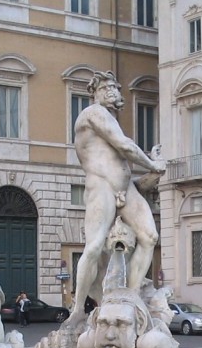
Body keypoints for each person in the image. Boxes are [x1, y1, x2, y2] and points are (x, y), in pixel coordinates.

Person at [69, 70, 166, 320]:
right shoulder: (93, 114)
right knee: (93, 247)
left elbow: (123, 169)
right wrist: (152, 165)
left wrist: (153, 174)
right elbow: (124, 146)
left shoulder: (110, 118)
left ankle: (130, 299)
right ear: (95, 93)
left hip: (126, 188)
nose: (111, 92)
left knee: (149, 236)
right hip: (101, 186)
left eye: (114, 88)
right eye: (105, 88)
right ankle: (78, 310)